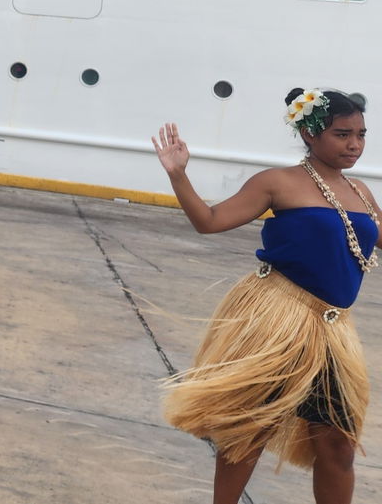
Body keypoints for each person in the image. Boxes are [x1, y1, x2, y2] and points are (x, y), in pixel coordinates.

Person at [154, 88, 377, 504]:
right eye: (342, 134)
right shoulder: (277, 182)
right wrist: (178, 175)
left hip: (333, 331)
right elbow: (210, 221)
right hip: (278, 320)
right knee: (250, 430)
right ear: (310, 135)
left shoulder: (361, 192)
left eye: (361, 135)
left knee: (338, 445)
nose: (354, 145)